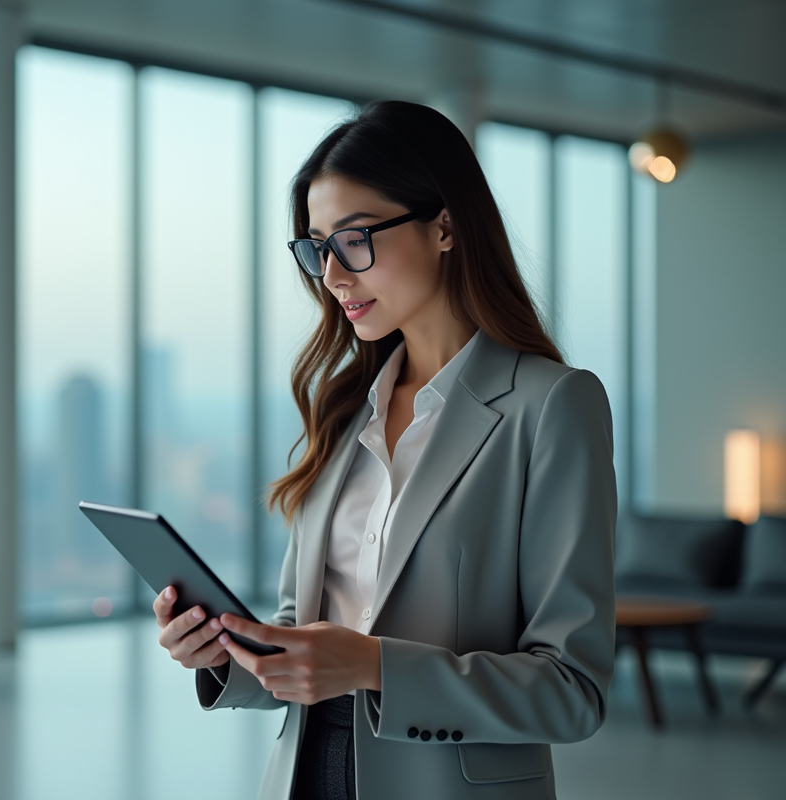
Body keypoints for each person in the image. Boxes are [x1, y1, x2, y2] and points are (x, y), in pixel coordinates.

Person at [153, 100, 616, 800]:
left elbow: (571, 689)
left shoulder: (551, 406)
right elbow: (301, 634)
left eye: (355, 239)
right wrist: (226, 656)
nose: (333, 276)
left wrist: (373, 667)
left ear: (445, 227)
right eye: (316, 247)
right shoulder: (344, 412)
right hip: (308, 775)